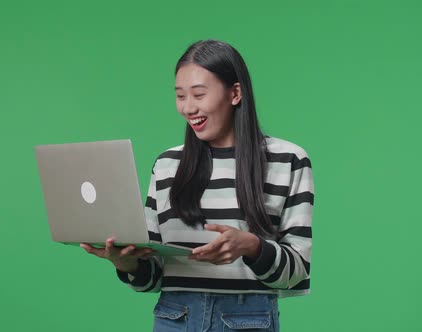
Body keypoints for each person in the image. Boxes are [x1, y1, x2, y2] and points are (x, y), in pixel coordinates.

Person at [80, 39, 314, 331]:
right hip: (173, 318)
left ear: (235, 93)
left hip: (247, 321)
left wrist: (252, 247)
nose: (188, 108)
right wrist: (125, 263)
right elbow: (153, 276)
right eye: (180, 96)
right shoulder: (167, 165)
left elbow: (297, 271)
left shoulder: (288, 159)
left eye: (199, 94)